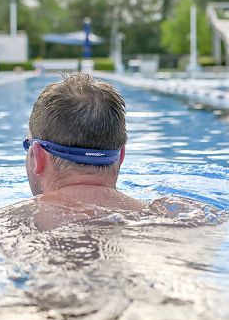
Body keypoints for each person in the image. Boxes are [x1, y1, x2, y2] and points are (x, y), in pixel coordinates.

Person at [22, 72, 194, 230]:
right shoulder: (180, 215)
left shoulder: (13, 221)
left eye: (27, 145)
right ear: (121, 155)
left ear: (36, 155)